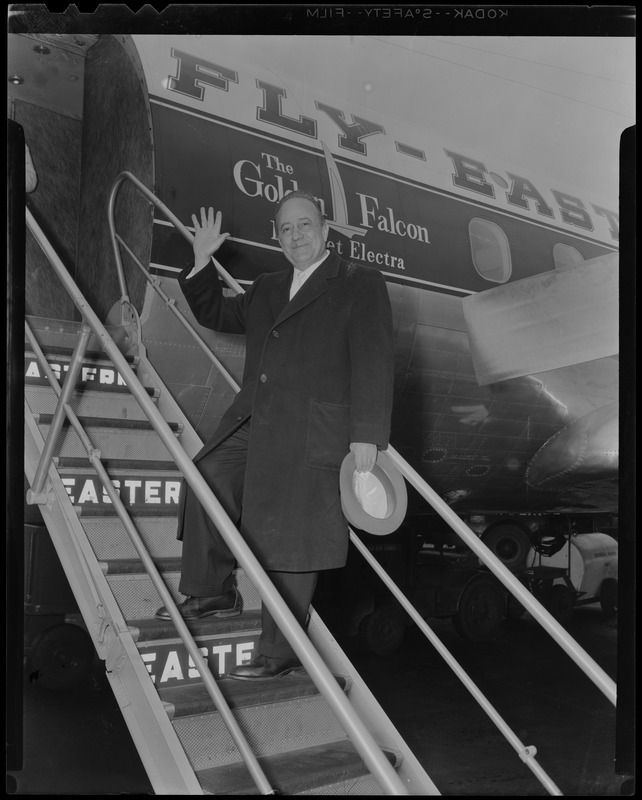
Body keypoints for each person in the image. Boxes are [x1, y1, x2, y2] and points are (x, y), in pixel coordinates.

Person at [156, 190, 395, 680]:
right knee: (207, 477)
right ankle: (211, 590)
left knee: (293, 538)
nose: (296, 236)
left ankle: (278, 652)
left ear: (325, 230)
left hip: (313, 432)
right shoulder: (268, 285)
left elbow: (374, 358)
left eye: (304, 225)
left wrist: (368, 433)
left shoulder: (357, 283)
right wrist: (201, 261)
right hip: (255, 421)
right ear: (277, 237)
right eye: (286, 229)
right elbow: (217, 315)